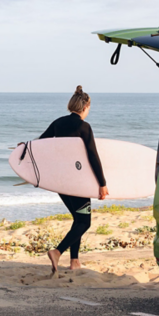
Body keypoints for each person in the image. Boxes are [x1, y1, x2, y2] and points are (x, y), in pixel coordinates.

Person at [39, 85, 109, 274]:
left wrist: (24, 148)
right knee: (85, 222)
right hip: (77, 183)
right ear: (85, 107)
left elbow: (40, 145)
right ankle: (57, 251)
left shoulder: (58, 123)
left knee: (78, 219)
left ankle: (75, 261)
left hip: (60, 182)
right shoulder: (84, 127)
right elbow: (93, 156)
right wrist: (102, 183)